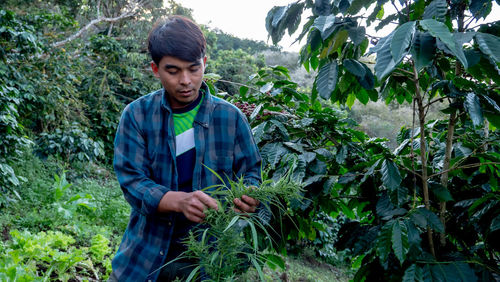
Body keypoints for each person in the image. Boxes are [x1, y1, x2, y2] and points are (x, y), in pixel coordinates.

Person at [109, 15, 262, 281]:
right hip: (144, 256)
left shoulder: (231, 118)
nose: (186, 81)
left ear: (204, 63)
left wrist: (249, 196)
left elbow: (251, 171)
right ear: (155, 69)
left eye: (193, 68)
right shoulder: (137, 115)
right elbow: (132, 181)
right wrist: (179, 201)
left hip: (210, 259)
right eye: (173, 71)